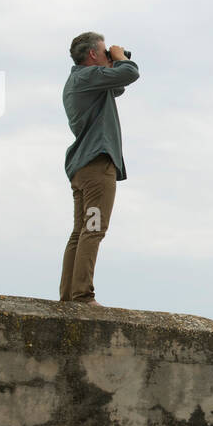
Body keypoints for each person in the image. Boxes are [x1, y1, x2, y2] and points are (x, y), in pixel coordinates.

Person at [58, 31, 139, 305]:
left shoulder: (80, 81)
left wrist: (115, 61)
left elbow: (117, 86)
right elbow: (129, 75)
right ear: (93, 54)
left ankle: (69, 297)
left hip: (82, 167)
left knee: (80, 231)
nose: (108, 55)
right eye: (104, 52)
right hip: (96, 166)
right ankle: (82, 297)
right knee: (94, 228)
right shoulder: (86, 77)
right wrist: (119, 59)